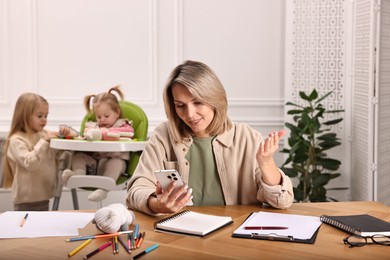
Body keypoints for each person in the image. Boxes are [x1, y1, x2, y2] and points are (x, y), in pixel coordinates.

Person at [126, 60, 294, 216]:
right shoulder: (164, 136)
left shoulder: (247, 137)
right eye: (180, 105)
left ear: (214, 99)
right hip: (179, 235)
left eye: (198, 102)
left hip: (234, 236)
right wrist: (157, 204)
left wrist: (266, 163)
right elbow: (136, 190)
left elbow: (282, 201)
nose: (190, 114)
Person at [60, 86, 134, 202]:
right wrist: (70, 133)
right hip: (93, 165)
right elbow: (81, 136)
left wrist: (105, 133)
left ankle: (103, 189)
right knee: (79, 156)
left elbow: (129, 132)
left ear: (117, 113)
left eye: (106, 116)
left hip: (114, 164)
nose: (102, 120)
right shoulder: (93, 126)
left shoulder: (122, 125)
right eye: (98, 116)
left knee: (116, 163)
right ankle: (78, 175)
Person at [2, 93, 60, 211]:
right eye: (39, 116)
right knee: (26, 228)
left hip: (43, 196)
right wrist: (44, 141)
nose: (44, 120)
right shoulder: (16, 140)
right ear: (24, 116)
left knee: (41, 228)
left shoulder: (43, 134)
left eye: (46, 115)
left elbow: (57, 155)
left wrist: (65, 134)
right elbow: (30, 163)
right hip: (25, 201)